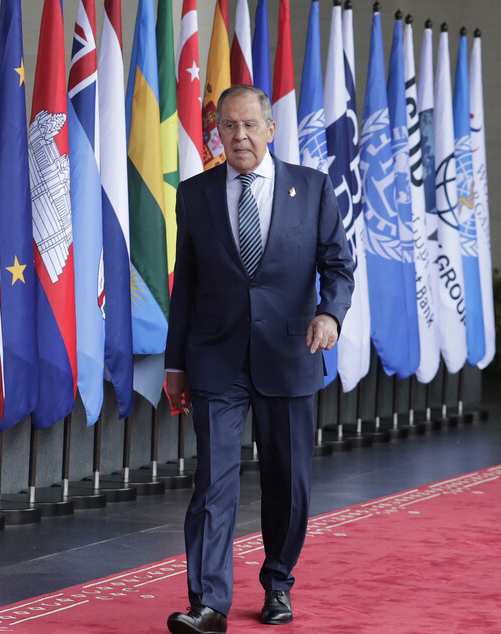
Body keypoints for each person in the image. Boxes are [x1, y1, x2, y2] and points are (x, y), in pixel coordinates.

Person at [165, 84, 355, 634]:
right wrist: (176, 364)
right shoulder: (195, 194)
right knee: (213, 483)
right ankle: (208, 604)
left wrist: (330, 315)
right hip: (215, 360)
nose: (239, 136)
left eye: (250, 125)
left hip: (290, 353)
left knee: (288, 481)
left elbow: (338, 266)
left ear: (272, 129)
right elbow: (187, 285)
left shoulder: (313, 189)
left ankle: (278, 584)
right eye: (228, 126)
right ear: (216, 132)